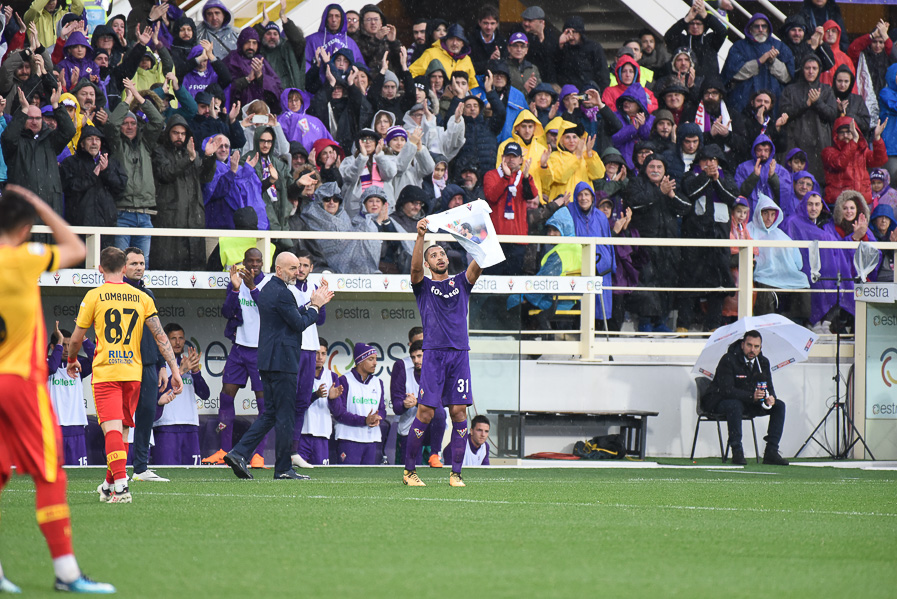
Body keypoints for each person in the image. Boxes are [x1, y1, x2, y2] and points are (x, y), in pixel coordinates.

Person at [0, 186, 116, 592]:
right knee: (49, 475)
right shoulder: (21, 259)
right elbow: (74, 247)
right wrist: (38, 202)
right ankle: (67, 573)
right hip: (19, 382)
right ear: (27, 226)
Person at [67, 246, 182, 504]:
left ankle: (121, 488)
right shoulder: (142, 297)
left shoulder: (94, 296)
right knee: (124, 431)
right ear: (123, 269)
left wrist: (72, 360)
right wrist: (175, 370)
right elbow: (161, 336)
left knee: (111, 430)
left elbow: (75, 339)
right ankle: (109, 484)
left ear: (100, 269)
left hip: (107, 372)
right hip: (133, 373)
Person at [223, 253, 333, 480]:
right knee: (284, 416)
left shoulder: (271, 290)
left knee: (272, 413)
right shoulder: (282, 293)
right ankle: (283, 468)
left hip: (269, 361)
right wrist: (315, 306)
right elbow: (299, 323)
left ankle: (239, 452)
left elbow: (291, 316)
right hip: (282, 362)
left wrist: (311, 304)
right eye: (292, 268)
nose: (297, 272)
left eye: (298, 268)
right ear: (279, 269)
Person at [402, 218, 483, 488]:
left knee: (459, 412)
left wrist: (481, 232)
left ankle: (456, 474)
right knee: (425, 412)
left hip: (459, 355)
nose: (439, 257)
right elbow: (413, 270)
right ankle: (409, 471)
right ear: (428, 263)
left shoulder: (462, 282)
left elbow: (479, 262)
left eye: (442, 253)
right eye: (433, 255)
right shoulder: (423, 285)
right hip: (434, 355)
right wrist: (421, 238)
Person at [202, 248, 269, 466]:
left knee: (263, 404)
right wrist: (234, 289)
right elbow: (226, 312)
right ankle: (223, 450)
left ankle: (258, 454)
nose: (254, 265)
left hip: (260, 350)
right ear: (244, 261)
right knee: (226, 396)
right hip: (239, 348)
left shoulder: (269, 283)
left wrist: (251, 287)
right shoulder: (235, 281)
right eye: (251, 261)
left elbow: (268, 311)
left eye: (258, 261)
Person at [121, 247, 171, 483]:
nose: (139, 267)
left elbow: (156, 333)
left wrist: (162, 364)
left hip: (149, 366)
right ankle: (117, 469)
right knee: (121, 419)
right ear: (123, 267)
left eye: (141, 263)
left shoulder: (148, 294)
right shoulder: (115, 294)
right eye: (133, 264)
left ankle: (140, 468)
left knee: (146, 417)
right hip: (124, 364)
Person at [703, 331, 790, 466]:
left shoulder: (763, 362)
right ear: (742, 344)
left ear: (761, 348)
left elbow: (769, 387)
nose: (752, 350)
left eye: (756, 347)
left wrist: (770, 398)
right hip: (719, 401)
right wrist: (752, 396)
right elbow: (727, 390)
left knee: (779, 406)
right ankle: (737, 450)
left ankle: (771, 452)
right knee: (734, 405)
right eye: (749, 345)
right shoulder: (728, 359)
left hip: (749, 402)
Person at [105, 78, 165, 265]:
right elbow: (112, 124)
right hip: (123, 213)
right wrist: (126, 101)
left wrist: (138, 97)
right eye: (126, 123)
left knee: (142, 263)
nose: (129, 126)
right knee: (121, 263)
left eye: (133, 123)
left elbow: (157, 120)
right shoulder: (116, 144)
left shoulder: (145, 144)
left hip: (146, 214)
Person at [2, 86, 75, 218]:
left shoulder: (51, 141)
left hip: (50, 205)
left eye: (38, 118)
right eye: (30, 118)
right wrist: (23, 110)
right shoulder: (16, 143)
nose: (34, 122)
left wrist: (56, 106)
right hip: (22, 209)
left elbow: (69, 131)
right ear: (24, 118)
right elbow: (7, 137)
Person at [287, 250, 326, 469]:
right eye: (297, 265)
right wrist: (311, 304)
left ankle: (293, 451)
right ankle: (282, 451)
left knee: (301, 402)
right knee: (286, 402)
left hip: (310, 349)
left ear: (311, 269)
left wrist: (321, 299)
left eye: (305, 266)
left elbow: (320, 320)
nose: (301, 269)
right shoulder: (286, 289)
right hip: (293, 349)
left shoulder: (313, 289)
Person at [151, 116, 206, 270]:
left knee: (194, 264)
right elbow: (166, 173)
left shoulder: (192, 153)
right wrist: (188, 158)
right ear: (168, 133)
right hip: (170, 216)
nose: (179, 136)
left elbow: (205, 177)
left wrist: (209, 157)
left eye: (182, 133)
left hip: (193, 216)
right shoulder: (159, 151)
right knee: (169, 263)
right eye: (175, 132)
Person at [152, 323, 209, 466]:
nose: (178, 342)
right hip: (166, 426)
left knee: (193, 477)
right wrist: (180, 371)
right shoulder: (160, 365)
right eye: (173, 338)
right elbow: (159, 394)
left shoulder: (187, 362)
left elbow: (205, 394)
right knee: (167, 474)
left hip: (190, 426)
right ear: (165, 340)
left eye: (181, 338)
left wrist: (195, 372)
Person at [721, 13, 794, 113]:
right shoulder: (738, 47)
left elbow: (787, 77)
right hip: (743, 101)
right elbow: (733, 74)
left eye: (764, 26)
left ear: (768, 29)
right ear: (750, 29)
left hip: (773, 102)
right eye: (757, 26)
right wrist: (759, 61)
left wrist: (773, 61)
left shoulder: (780, 46)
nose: (760, 29)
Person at [47, 323, 95, 466]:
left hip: (76, 426)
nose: (67, 349)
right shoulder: (46, 362)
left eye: (70, 345)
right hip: (54, 427)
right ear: (53, 347)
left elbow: (96, 360)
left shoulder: (78, 364)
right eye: (63, 345)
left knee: (78, 474)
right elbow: (52, 368)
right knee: (54, 474)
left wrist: (83, 338)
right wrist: (59, 342)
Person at [329, 343, 385, 465]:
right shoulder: (345, 380)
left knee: (370, 482)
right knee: (348, 480)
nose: (375, 363)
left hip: (371, 439)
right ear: (359, 361)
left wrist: (378, 417)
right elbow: (340, 413)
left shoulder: (378, 382)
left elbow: (382, 409)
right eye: (371, 359)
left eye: (376, 359)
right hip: (349, 438)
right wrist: (365, 420)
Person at [298, 340, 339, 465]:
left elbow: (337, 411)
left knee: (321, 477)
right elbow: (297, 404)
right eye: (316, 353)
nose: (320, 357)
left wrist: (332, 399)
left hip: (322, 434)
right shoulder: (301, 374)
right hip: (301, 434)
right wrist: (315, 395)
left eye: (323, 353)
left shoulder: (332, 377)